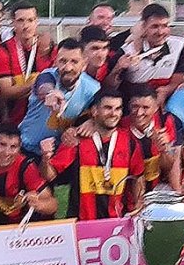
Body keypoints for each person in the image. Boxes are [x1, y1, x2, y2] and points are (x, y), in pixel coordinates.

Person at [40, 89, 145, 220]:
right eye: (108, 108)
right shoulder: (76, 140)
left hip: (117, 221)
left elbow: (138, 176)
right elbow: (50, 175)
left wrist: (138, 204)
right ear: (95, 111)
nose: (113, 113)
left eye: (118, 109)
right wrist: (45, 158)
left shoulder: (130, 143)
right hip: (82, 222)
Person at [19, 38, 101, 158]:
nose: (68, 68)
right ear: (56, 62)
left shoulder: (92, 88)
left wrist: (92, 122)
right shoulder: (47, 75)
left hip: (59, 153)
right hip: (26, 148)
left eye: (74, 62)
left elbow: (101, 112)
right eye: (63, 61)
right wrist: (51, 94)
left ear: (84, 64)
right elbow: (44, 87)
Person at [0, 124, 57, 225]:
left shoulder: (26, 167)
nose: (7, 152)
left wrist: (38, 204)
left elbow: (53, 205)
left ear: (19, 148)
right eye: (2, 145)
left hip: (19, 225)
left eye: (13, 147)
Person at [0, 1, 55, 123]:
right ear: (13, 23)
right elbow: (6, 91)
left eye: (30, 20)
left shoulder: (50, 48)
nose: (26, 26)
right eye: (20, 20)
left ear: (36, 22)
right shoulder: (3, 50)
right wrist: (37, 82)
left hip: (44, 117)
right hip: (15, 118)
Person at [120, 3, 184, 103]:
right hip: (134, 105)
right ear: (143, 26)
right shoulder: (127, 50)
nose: (160, 32)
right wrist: (118, 68)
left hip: (165, 104)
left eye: (165, 26)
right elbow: (112, 85)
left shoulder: (179, 45)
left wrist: (166, 90)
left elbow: (180, 77)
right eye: (155, 26)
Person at [122, 84, 177, 191]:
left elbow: (167, 168)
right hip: (126, 189)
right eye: (135, 106)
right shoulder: (121, 125)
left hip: (155, 187)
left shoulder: (164, 123)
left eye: (145, 108)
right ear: (129, 106)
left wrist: (164, 149)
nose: (139, 113)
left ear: (156, 108)